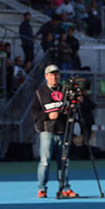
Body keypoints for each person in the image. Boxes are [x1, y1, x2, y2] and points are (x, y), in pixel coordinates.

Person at [32, 64, 79, 199]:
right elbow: (34, 112)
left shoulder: (65, 90)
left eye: (56, 74)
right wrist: (47, 116)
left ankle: (65, 187)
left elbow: (72, 106)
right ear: (46, 76)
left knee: (64, 161)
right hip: (47, 131)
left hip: (63, 130)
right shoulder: (40, 93)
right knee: (45, 161)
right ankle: (42, 188)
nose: (54, 77)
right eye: (51, 75)